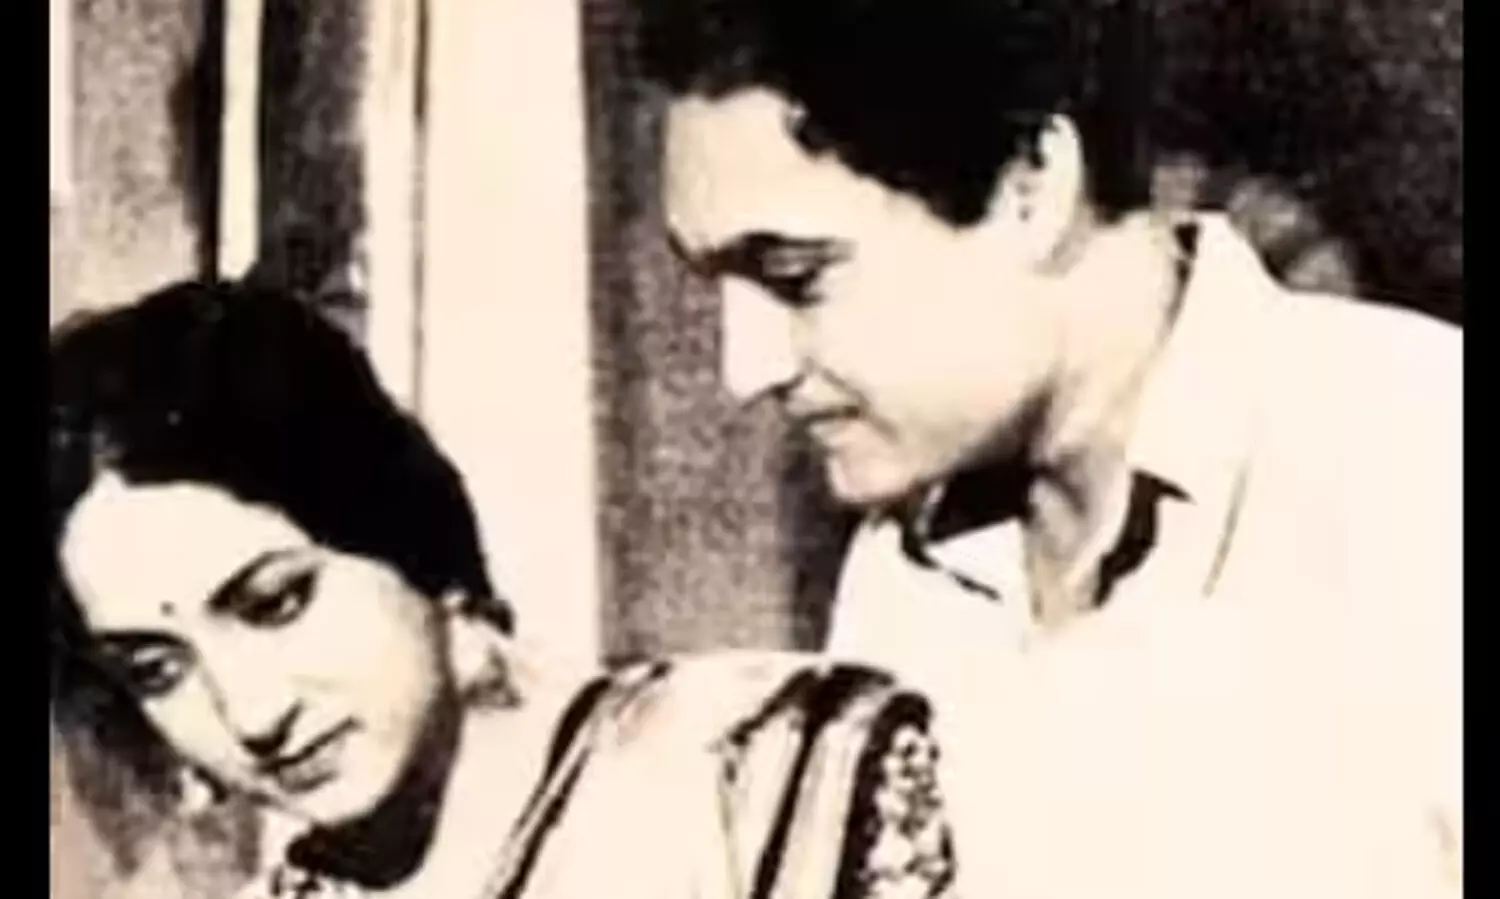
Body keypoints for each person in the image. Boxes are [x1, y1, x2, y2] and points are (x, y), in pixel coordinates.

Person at [636, 1, 1461, 895]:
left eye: (796, 277)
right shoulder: (898, 578)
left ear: (1032, 182)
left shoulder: (1422, 456)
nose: (744, 369)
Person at [48, 280, 961, 899]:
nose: (251, 714)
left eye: (277, 602)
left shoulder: (780, 771)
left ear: (398, 524)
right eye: (159, 668)